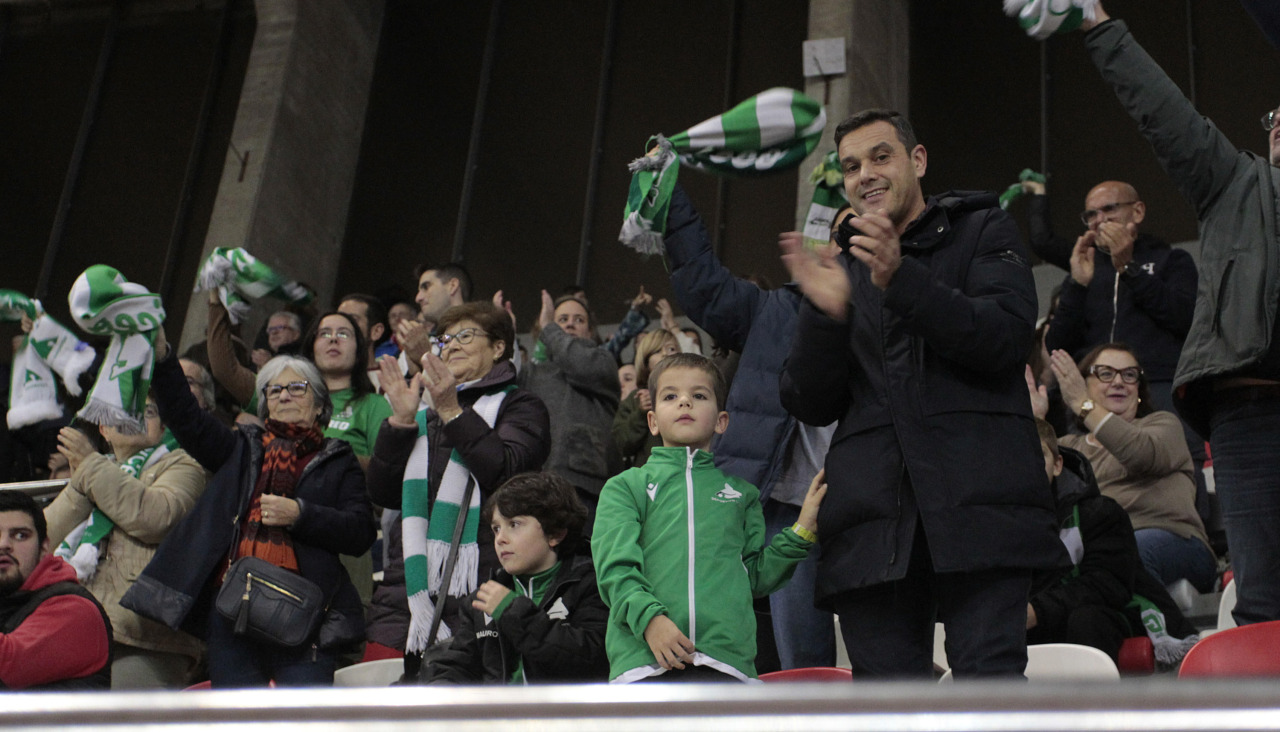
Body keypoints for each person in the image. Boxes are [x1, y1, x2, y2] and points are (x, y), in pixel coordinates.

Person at [779, 109, 1063, 679]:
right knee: (888, 706)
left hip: (980, 508)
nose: (865, 175)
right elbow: (809, 402)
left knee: (991, 694)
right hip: (872, 524)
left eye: (881, 156)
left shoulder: (984, 228)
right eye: (852, 166)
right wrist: (825, 315)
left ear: (918, 159)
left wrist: (901, 277)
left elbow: (1005, 339)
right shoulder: (842, 266)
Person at [1075, 3, 1280, 626]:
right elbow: (1163, 112)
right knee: (1266, 602)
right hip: (1252, 410)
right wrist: (1096, 23)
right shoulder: (1236, 185)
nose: (1278, 128)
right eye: (1274, 120)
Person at [121, 327, 376, 687]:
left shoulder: (338, 458)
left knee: (303, 723)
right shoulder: (241, 447)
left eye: (296, 387)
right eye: (274, 389)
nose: (284, 395)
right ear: (265, 403)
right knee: (236, 719)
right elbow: (186, 418)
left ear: (319, 405)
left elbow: (361, 532)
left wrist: (301, 514)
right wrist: (163, 359)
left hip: (307, 613)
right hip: (233, 610)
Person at [666, 188, 845, 669]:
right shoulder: (775, 311)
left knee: (882, 662)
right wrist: (673, 208)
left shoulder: (895, 311)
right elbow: (705, 287)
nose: (843, 245)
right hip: (786, 508)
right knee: (798, 661)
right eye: (837, 234)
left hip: (872, 509)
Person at [593, 353, 825, 682]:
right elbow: (614, 569)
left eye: (699, 395)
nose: (685, 401)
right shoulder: (624, 487)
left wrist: (802, 532)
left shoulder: (742, 495)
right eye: (670, 396)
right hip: (644, 663)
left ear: (721, 421)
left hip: (727, 666)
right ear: (653, 421)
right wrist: (650, 622)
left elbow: (753, 577)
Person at [366, 301, 550, 674]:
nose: (451, 346)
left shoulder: (521, 405)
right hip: (404, 595)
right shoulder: (424, 410)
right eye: (445, 339)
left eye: (466, 336)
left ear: (498, 347)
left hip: (479, 588)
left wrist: (452, 410)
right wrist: (400, 424)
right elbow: (384, 495)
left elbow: (504, 475)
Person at [44, 395, 206, 688]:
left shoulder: (185, 464)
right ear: (104, 430)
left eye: (148, 411)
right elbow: (45, 539)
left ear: (162, 427)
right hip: (75, 626)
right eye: (123, 412)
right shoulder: (95, 469)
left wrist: (91, 467)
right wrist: (85, 475)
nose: (135, 418)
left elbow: (157, 517)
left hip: (145, 637)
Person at [1031, 343, 1216, 592]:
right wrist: (1035, 422)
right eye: (1106, 373)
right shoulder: (1069, 448)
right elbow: (1028, 481)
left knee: (1124, 552)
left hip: (1175, 543)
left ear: (1139, 389)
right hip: (1096, 549)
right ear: (1082, 383)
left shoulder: (1162, 426)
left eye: (1129, 375)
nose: (1119, 382)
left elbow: (1139, 454)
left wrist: (1084, 405)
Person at [1027, 419, 1199, 664]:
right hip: (1051, 615)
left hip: (1117, 611)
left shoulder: (1099, 512)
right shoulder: (997, 528)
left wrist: (1036, 611)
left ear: (1057, 465)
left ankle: (1096, 703)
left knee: (1085, 620)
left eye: (1037, 455)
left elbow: (1108, 585)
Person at [417, 472, 608, 684]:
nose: (500, 539)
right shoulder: (481, 601)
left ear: (555, 533)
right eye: (496, 529)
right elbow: (458, 666)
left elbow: (590, 659)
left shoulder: (592, 586)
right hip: (498, 716)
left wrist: (512, 612)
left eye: (514, 524)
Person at [521, 292, 621, 533]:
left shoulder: (602, 361)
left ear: (590, 331)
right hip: (535, 487)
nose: (569, 324)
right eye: (562, 319)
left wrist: (550, 328)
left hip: (585, 489)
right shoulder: (530, 373)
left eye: (579, 320)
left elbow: (580, 363)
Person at [0, 491, 112, 690]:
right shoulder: (10, 599)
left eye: (20, 535)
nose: (4, 545)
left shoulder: (74, 608)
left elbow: (9, 664)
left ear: (44, 547)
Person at [302, 311, 393, 466]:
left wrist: (328, 457)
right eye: (324, 334)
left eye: (343, 334)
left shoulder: (374, 405)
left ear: (358, 353)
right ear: (312, 350)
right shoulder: (292, 397)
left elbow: (385, 470)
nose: (333, 339)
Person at [611, 330, 681, 469]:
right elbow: (620, 445)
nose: (665, 354)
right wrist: (641, 413)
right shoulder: (636, 399)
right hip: (650, 478)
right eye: (657, 350)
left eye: (671, 349)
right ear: (645, 360)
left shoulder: (693, 394)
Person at [337, 294, 388, 371]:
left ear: (376, 331)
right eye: (339, 319)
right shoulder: (316, 377)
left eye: (352, 320)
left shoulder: (389, 379)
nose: (342, 325)